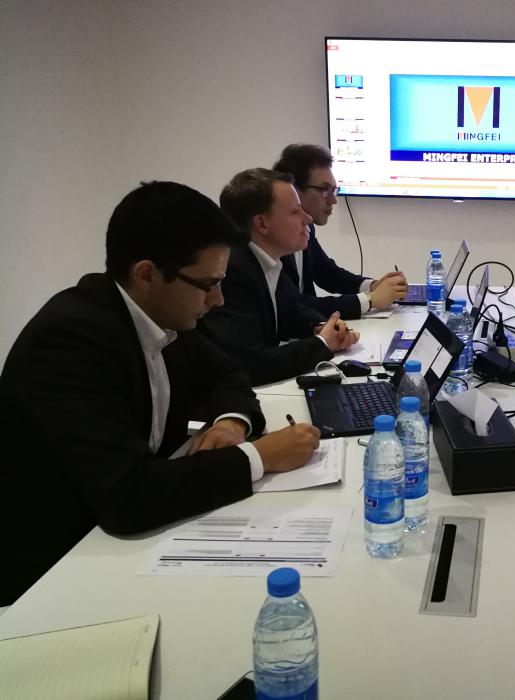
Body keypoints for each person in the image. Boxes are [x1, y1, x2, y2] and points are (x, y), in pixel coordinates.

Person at [0, 182, 320, 606]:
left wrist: (231, 422)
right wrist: (260, 456)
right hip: (52, 574)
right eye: (208, 284)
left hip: (126, 544)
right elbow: (129, 497)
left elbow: (228, 373)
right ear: (147, 275)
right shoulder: (68, 341)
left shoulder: (163, 315)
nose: (218, 299)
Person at [199, 168, 359, 385]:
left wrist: (321, 326)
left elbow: (293, 310)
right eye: (295, 212)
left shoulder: (268, 259)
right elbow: (250, 364)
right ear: (262, 224)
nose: (307, 218)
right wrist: (323, 343)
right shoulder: (232, 271)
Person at [272, 144, 408, 319]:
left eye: (333, 191)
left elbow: (326, 273)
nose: (333, 200)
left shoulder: (306, 227)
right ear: (294, 191)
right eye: (325, 190)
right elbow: (295, 305)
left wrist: (373, 286)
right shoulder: (274, 238)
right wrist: (370, 300)